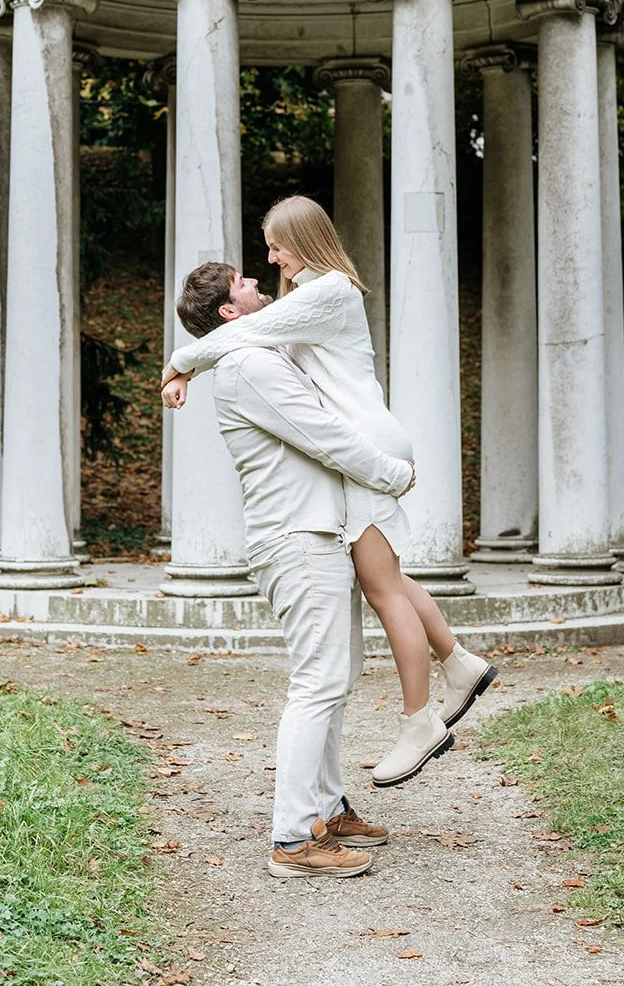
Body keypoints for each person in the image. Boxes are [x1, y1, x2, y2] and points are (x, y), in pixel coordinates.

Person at [163, 195, 495, 787]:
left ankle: (419, 720)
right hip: (367, 440)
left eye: (276, 245)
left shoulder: (328, 291)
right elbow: (251, 334)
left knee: (381, 588)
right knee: (389, 579)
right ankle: (459, 662)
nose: (270, 258)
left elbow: (245, 332)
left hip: (364, 444)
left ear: (305, 239)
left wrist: (182, 361)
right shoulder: (312, 294)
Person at [173, 260, 415, 879]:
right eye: (244, 284)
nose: (259, 282)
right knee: (319, 680)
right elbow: (324, 434)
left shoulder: (260, 350)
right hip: (296, 539)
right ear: (229, 311)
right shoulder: (250, 367)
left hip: (314, 536)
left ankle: (329, 810)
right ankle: (291, 838)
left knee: (337, 674)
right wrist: (392, 475)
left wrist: (183, 364)